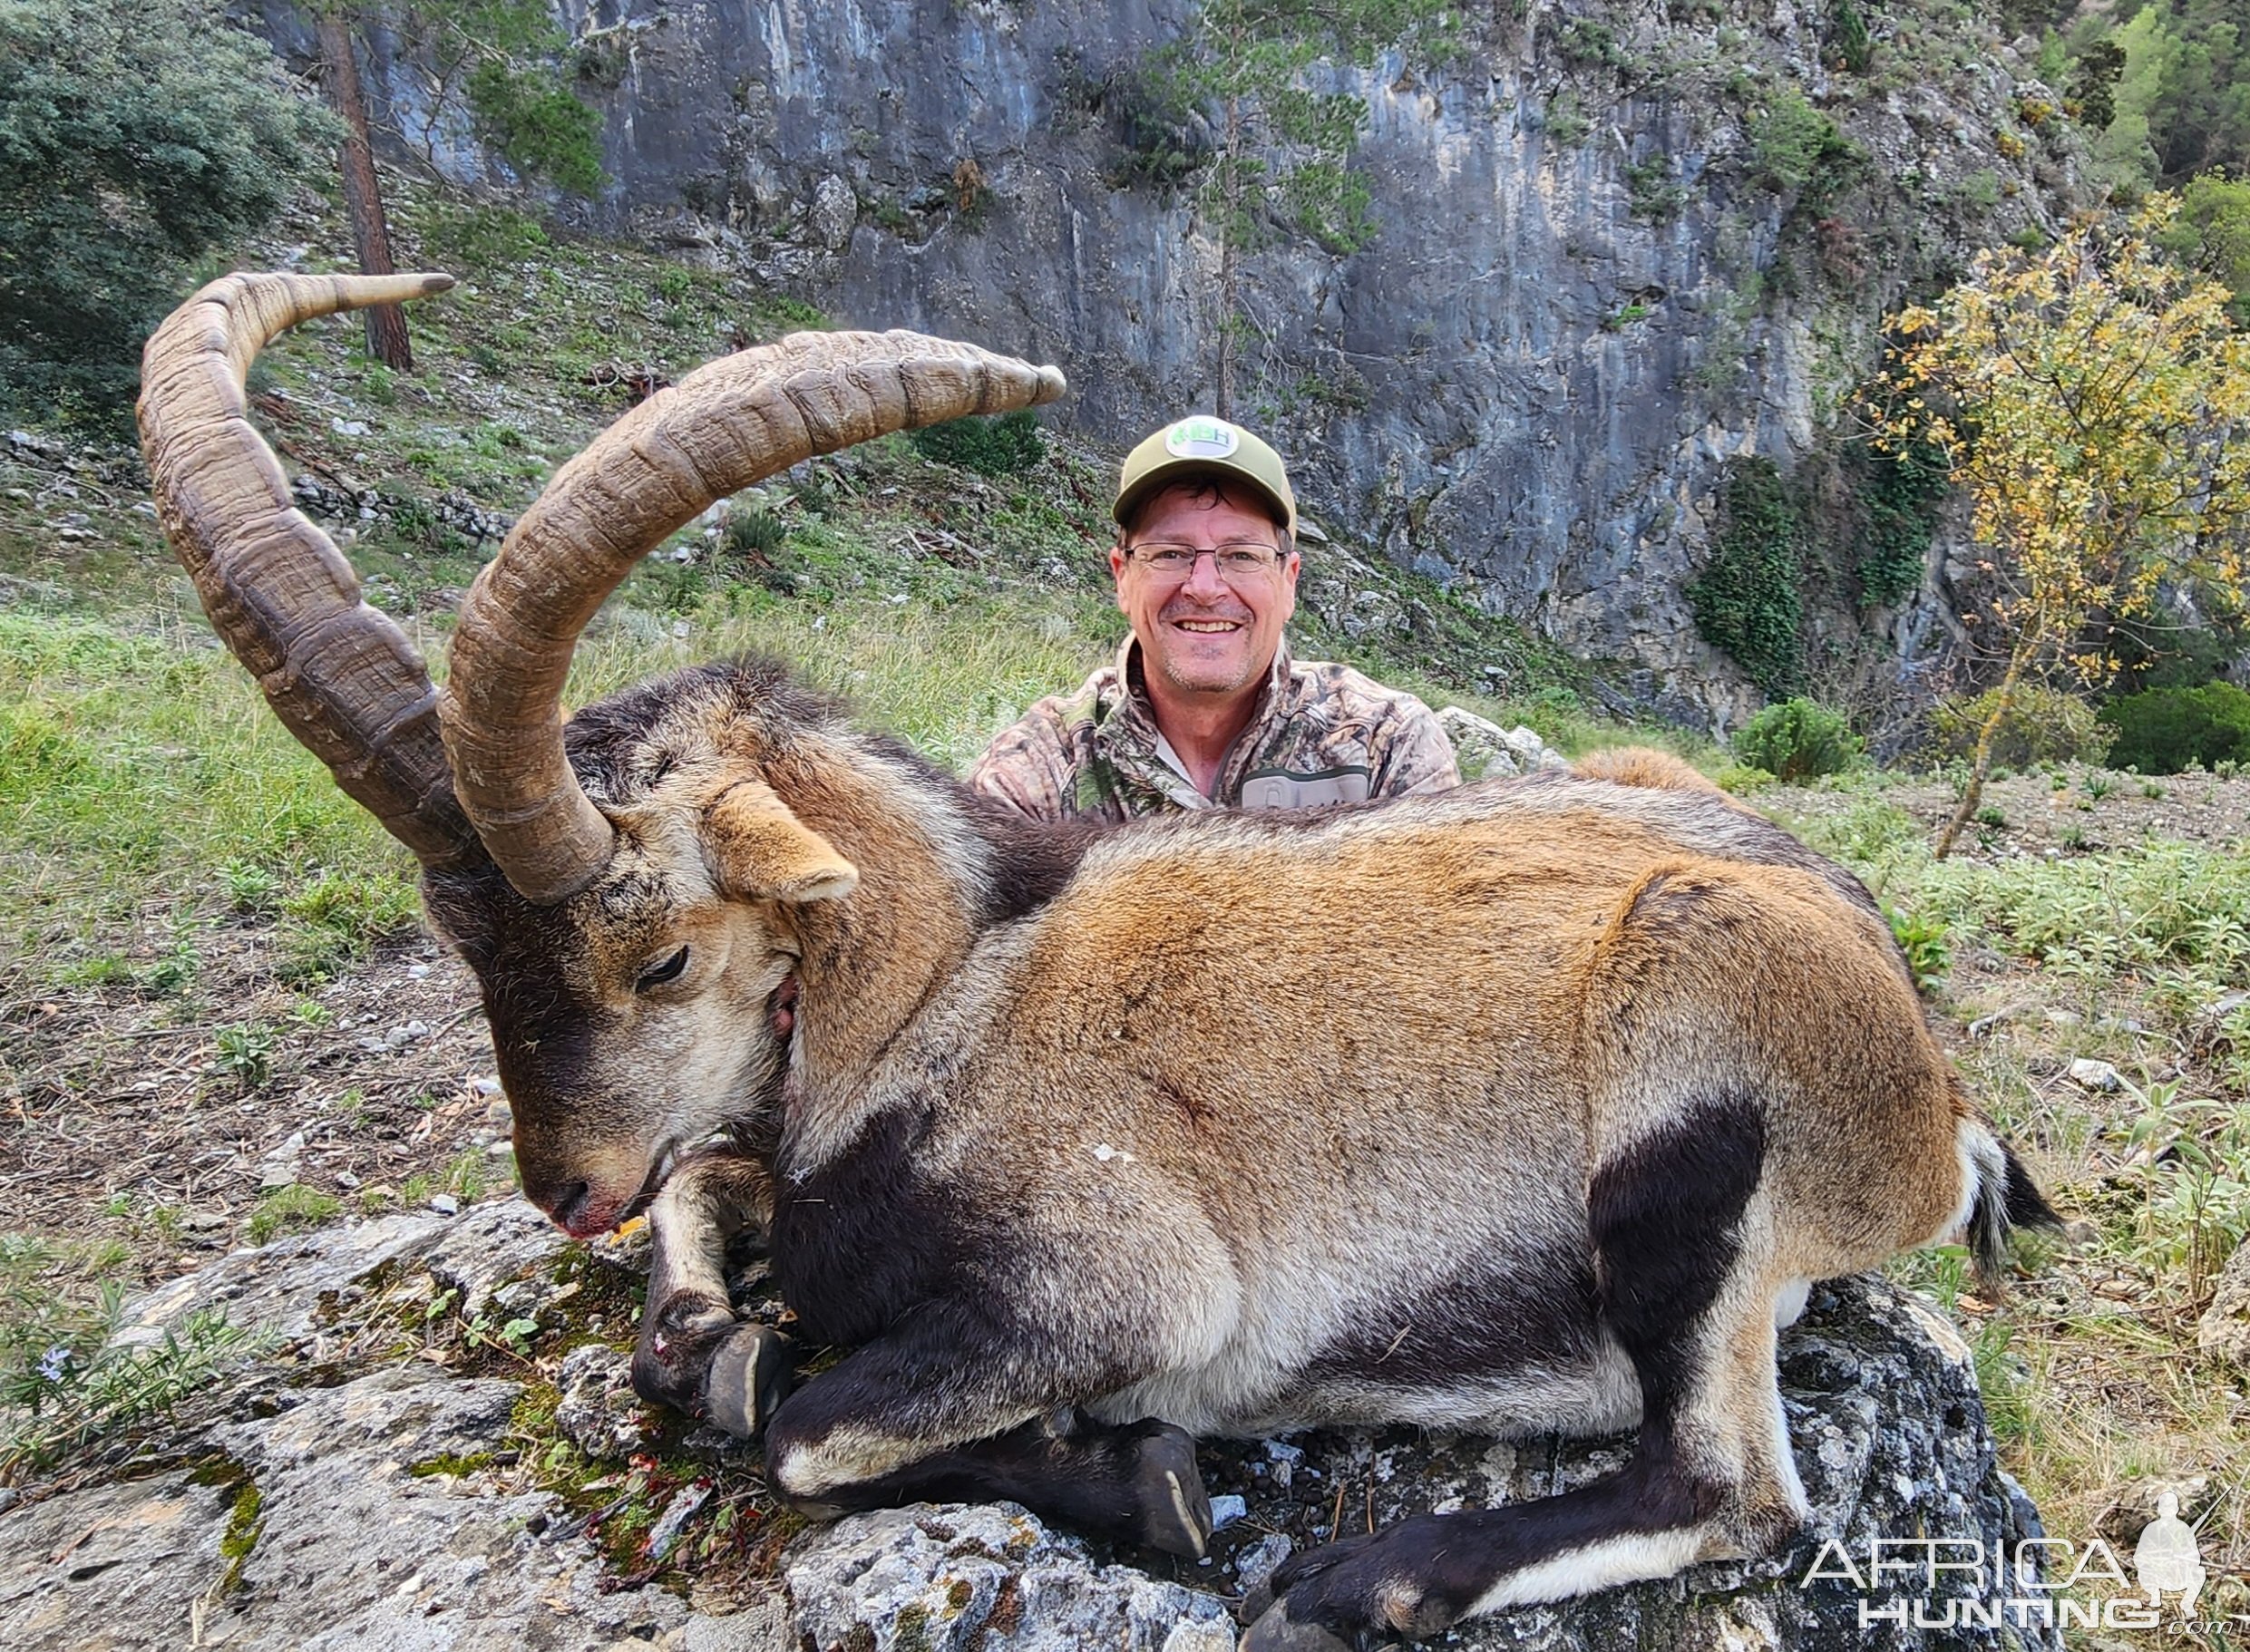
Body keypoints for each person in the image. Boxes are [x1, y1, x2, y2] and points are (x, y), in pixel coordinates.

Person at [969, 414, 1460, 821]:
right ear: (1122, 577)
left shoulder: (1387, 743)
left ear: (1288, 581)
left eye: (1242, 555)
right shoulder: (1037, 770)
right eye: (1170, 553)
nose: (1204, 587)